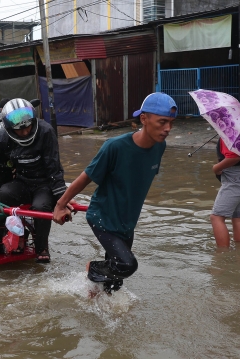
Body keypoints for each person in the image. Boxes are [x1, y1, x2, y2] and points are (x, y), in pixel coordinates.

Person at [53, 92, 177, 292]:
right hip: (104, 217)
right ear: (144, 119)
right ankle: (92, 268)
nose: (167, 129)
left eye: (171, 123)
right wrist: (60, 204)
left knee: (114, 283)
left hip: (127, 222)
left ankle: (93, 299)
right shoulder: (115, 147)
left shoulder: (159, 147)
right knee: (127, 264)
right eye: (162, 122)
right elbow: (86, 177)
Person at [0, 98, 67, 263]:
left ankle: (42, 247)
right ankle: (19, 236)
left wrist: (63, 199)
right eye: (19, 130)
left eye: (28, 128)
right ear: (10, 129)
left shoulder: (46, 131)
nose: (25, 133)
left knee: (41, 207)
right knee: (4, 193)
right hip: (22, 181)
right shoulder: (3, 136)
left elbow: (54, 167)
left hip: (43, 184)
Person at [210, 138, 240, 248]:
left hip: (235, 178)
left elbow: (234, 157)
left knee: (216, 217)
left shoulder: (230, 131)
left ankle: (222, 256)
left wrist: (216, 168)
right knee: (238, 216)